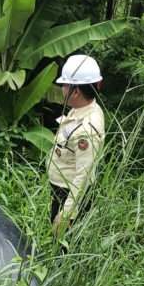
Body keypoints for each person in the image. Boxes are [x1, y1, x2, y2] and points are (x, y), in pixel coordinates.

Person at [47, 54, 105, 235]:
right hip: (61, 192)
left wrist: (66, 214)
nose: (62, 88)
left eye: (65, 85)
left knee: (63, 244)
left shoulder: (86, 130)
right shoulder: (82, 109)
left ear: (76, 91)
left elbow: (84, 176)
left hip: (70, 197)